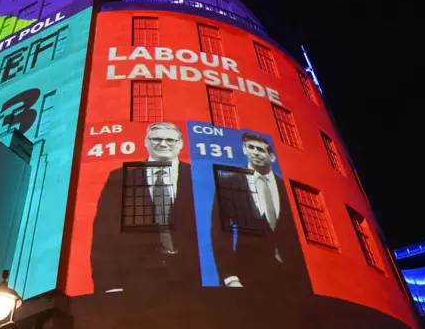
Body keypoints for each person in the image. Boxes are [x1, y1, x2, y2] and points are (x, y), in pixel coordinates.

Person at [91, 122, 199, 294]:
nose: (163, 144)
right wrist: (110, 284)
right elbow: (104, 232)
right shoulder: (121, 177)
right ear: (146, 142)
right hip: (136, 278)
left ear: (180, 144)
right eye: (156, 139)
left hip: (193, 277)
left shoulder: (199, 176)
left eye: (170, 140)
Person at [210, 132, 311, 292]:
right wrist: (229, 277)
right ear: (244, 149)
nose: (255, 152)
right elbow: (220, 231)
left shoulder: (285, 187)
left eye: (261, 150)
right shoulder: (229, 181)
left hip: (292, 276)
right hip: (248, 273)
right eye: (250, 147)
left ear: (272, 157)